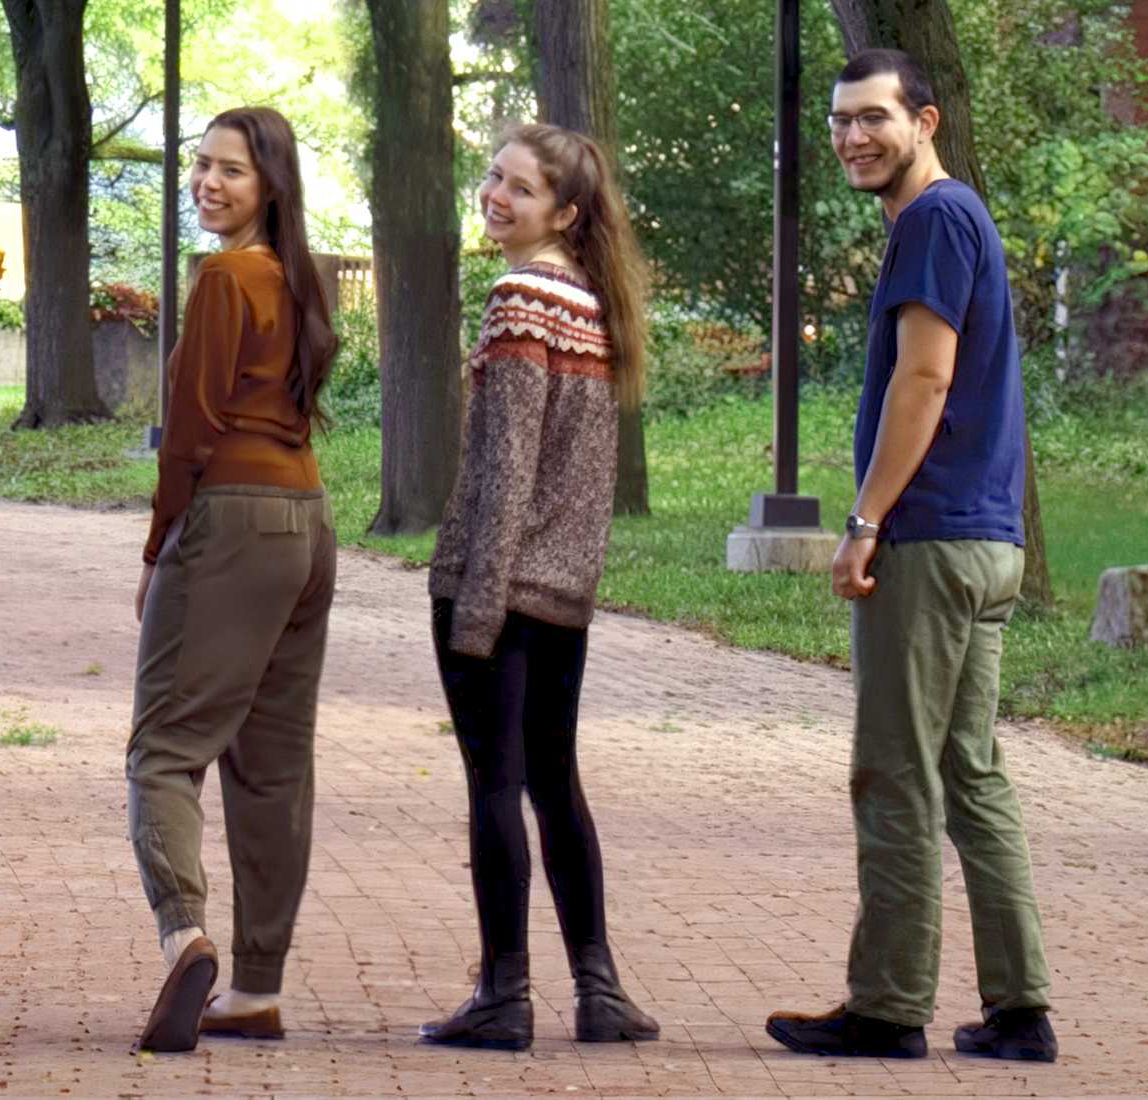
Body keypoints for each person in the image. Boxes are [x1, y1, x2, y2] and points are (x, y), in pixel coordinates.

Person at [764, 47, 1057, 1065]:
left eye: (874, 118)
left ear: (923, 121)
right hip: (987, 540)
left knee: (893, 770)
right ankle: (1020, 1011)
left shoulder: (931, 220)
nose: (852, 137)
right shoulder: (961, 215)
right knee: (969, 770)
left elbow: (924, 382)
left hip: (930, 542)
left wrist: (864, 520)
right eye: (841, 121)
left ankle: (887, 1006)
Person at [413, 122, 661, 1053]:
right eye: (491, 176)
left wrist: (475, 604)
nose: (494, 195)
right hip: (564, 592)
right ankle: (599, 991)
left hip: (499, 584)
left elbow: (510, 463)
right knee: (556, 784)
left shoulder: (520, 297)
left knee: (496, 784)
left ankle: (502, 995)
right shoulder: (592, 302)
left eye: (517, 187)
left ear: (563, 211)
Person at [122, 106, 343, 1055]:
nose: (209, 183)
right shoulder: (304, 282)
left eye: (231, 172)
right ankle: (256, 987)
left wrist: (158, 545)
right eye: (201, 166)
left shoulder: (225, 278)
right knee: (272, 767)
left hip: (235, 519)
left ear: (271, 186)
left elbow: (191, 427)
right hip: (307, 526)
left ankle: (186, 936)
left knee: (165, 748)